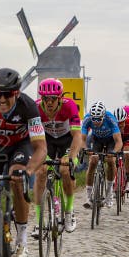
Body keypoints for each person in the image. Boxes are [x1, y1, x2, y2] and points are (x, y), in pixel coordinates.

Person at [0, 68, 47, 257]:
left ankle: (22, 242)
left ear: (16, 93)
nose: (2, 100)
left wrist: (29, 170)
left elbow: (41, 148)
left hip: (20, 146)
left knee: (17, 178)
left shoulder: (29, 107)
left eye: (7, 95)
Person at [33, 78, 82, 233]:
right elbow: (32, 137)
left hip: (67, 140)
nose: (49, 102)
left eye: (53, 99)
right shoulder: (36, 108)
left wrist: (71, 156)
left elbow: (77, 135)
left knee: (65, 170)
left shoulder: (69, 106)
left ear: (60, 98)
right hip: (46, 140)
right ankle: (39, 221)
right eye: (45, 98)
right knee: (40, 172)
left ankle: (69, 212)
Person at [81, 101, 123, 208]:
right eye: (93, 118)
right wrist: (85, 149)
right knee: (93, 161)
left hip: (110, 140)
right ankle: (88, 196)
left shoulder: (110, 119)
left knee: (110, 161)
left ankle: (109, 194)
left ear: (103, 117)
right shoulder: (87, 119)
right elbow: (82, 139)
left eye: (98, 119)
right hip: (97, 140)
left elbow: (119, 141)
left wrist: (114, 152)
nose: (95, 121)